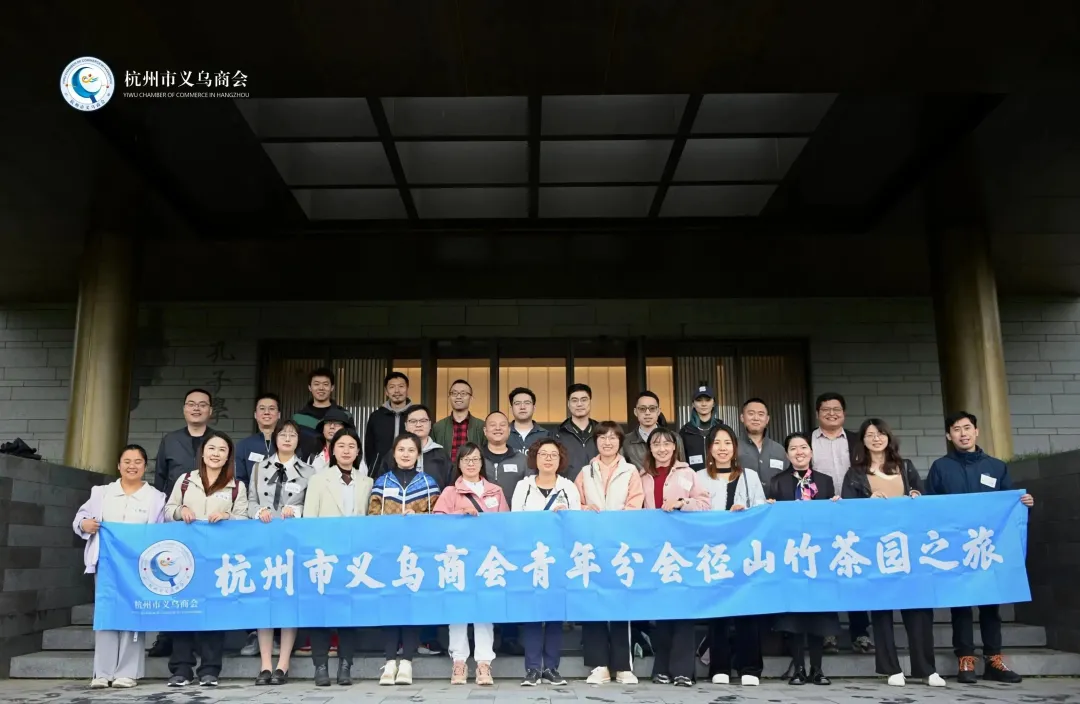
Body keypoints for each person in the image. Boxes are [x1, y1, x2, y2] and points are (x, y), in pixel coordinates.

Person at [926, 411, 1034, 684]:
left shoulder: (996, 467)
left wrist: (1023, 505)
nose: (962, 434)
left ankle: (994, 659)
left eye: (967, 428)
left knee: (990, 603)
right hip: (955, 546)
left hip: (988, 545)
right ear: (948, 435)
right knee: (960, 604)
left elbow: (1008, 502)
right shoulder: (940, 467)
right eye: (956, 429)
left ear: (976, 431)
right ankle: (965, 658)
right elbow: (930, 506)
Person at [841, 418, 945, 688]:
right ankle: (891, 668)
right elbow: (848, 512)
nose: (876, 438)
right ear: (862, 441)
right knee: (882, 609)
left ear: (889, 437)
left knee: (919, 608)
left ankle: (926, 668)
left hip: (909, 547)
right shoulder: (855, 473)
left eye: (881, 433)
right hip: (876, 549)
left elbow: (923, 499)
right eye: (870, 434)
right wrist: (867, 503)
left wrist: (916, 496)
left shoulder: (905, 466)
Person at [74, 445, 165, 689]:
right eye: (127, 461)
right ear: (118, 465)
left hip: (138, 566)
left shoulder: (156, 498)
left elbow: (160, 532)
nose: (132, 466)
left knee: (133, 614)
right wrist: (84, 524)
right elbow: (80, 518)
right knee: (106, 614)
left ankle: (127, 672)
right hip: (106, 564)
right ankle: (102, 672)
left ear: (145, 466)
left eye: (137, 461)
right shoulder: (101, 493)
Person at [163, 430, 248, 687]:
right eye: (212, 448)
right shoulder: (185, 481)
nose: (216, 454)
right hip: (185, 558)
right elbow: (167, 511)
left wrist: (228, 517)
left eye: (222, 450)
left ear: (228, 456)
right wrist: (181, 510)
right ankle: (181, 668)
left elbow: (244, 519)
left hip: (218, 559)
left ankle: (210, 669)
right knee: (183, 611)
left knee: (214, 612)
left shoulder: (237, 486)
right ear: (202, 453)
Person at [433, 442, 510, 686]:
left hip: (487, 559)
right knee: (458, 609)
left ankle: (484, 662)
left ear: (481, 462)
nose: (471, 464)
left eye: (475, 459)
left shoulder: (495, 491)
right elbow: (437, 525)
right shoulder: (449, 493)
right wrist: (459, 516)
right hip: (458, 560)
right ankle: (459, 661)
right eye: (466, 459)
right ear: (458, 464)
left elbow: (504, 525)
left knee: (484, 609)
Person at [694, 424, 766, 686]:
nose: (722, 448)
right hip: (713, 553)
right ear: (709, 448)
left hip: (744, 552)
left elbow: (760, 511)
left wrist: (744, 512)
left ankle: (750, 667)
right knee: (718, 613)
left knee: (747, 610)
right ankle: (719, 666)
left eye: (727, 443)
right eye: (717, 443)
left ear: (735, 448)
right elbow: (694, 511)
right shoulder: (699, 477)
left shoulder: (749, 476)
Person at [573, 421, 644, 685]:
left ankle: (623, 666)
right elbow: (576, 502)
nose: (607, 442)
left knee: (620, 602)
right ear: (596, 441)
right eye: (602, 437)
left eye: (613, 437)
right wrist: (585, 510)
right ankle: (599, 665)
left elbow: (636, 503)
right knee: (593, 602)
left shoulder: (630, 471)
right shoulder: (585, 472)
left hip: (620, 545)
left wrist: (616, 523)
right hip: (591, 546)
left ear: (620, 442)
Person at [766, 432, 840, 686]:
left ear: (811, 451)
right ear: (787, 454)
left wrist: (836, 505)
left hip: (819, 555)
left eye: (803, 447)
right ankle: (798, 668)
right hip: (791, 555)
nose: (799, 452)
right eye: (793, 448)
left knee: (817, 613)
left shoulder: (826, 481)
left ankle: (817, 669)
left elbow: (833, 518)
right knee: (795, 614)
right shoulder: (777, 482)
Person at [369, 433, 441, 686]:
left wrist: (418, 518)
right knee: (390, 605)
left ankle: (407, 661)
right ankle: (390, 661)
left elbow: (438, 518)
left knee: (412, 606)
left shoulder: (428, 484)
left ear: (418, 454)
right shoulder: (382, 483)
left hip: (417, 555)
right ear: (394, 452)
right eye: (401, 449)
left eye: (411, 450)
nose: (406, 454)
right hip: (388, 554)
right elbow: (372, 516)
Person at [303, 427, 373, 686]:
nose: (346, 451)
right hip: (324, 555)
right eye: (341, 446)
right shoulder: (319, 480)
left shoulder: (367, 482)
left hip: (353, 557)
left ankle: (346, 665)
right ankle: (320, 665)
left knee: (348, 613)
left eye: (351, 446)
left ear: (358, 452)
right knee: (320, 611)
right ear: (332, 450)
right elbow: (309, 518)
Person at [640, 427, 709, 687]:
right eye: (656, 444)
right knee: (661, 610)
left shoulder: (688, 473)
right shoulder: (642, 476)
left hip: (683, 549)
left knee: (683, 609)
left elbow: (705, 504)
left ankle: (683, 670)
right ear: (650, 448)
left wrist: (682, 503)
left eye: (666, 444)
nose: (662, 449)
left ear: (674, 447)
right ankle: (661, 669)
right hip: (654, 550)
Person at [248, 420, 313, 686]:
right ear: (274, 438)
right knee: (265, 598)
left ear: (298, 440)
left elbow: (311, 505)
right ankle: (265, 664)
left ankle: (283, 663)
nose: (287, 438)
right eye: (282, 434)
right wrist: (258, 511)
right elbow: (251, 499)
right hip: (263, 538)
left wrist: (296, 511)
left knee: (288, 598)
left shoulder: (309, 471)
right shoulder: (259, 467)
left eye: (292, 435)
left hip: (291, 540)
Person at [512, 438, 579, 686]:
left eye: (553, 455)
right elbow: (516, 520)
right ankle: (532, 669)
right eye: (543, 454)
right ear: (535, 458)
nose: (548, 459)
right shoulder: (524, 486)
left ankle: (551, 668)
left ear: (561, 460)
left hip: (559, 558)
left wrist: (564, 517)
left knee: (554, 613)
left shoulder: (568, 487)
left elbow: (577, 522)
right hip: (531, 557)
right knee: (532, 612)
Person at [811, 392, 871, 655]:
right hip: (820, 515)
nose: (831, 413)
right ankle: (828, 632)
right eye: (826, 409)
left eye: (836, 409)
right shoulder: (808, 441)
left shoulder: (859, 441)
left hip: (854, 514)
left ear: (844, 413)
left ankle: (860, 632)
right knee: (824, 572)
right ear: (817, 413)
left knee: (854, 570)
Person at [364, 371, 413, 473]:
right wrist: (374, 468)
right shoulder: (376, 416)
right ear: (386, 392)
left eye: (401, 386)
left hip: (411, 471)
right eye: (392, 387)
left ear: (407, 389)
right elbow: (369, 448)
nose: (397, 390)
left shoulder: (415, 415)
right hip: (381, 472)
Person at [292, 367, 352, 448]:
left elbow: (352, 443)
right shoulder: (298, 418)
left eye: (325, 384)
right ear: (309, 387)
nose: (321, 388)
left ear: (332, 387)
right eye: (316, 384)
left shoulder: (345, 415)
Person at [737, 398, 787, 488]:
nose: (756, 418)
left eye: (761, 414)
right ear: (742, 417)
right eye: (751, 413)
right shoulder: (732, 447)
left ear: (767, 419)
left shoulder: (780, 450)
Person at [432, 379, 486, 462]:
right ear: (449, 397)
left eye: (463, 393)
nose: (458, 397)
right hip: (445, 470)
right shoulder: (438, 427)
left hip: (472, 469)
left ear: (471, 398)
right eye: (454, 393)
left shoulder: (481, 426)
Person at [553, 383, 598, 480]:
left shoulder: (601, 432)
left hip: (598, 487)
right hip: (567, 487)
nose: (579, 404)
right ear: (568, 404)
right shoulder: (557, 434)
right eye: (574, 400)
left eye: (584, 400)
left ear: (590, 402)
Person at [400, 404, 452, 489]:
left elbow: (450, 487)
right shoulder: (397, 454)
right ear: (406, 425)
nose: (418, 425)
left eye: (423, 420)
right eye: (413, 421)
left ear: (430, 424)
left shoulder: (440, 454)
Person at [235, 393, 281, 488]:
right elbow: (240, 479)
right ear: (255, 414)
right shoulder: (243, 445)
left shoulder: (288, 443)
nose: (266, 412)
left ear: (279, 415)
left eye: (272, 408)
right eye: (262, 408)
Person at [679, 384, 724, 472]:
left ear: (713, 403)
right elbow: (680, 460)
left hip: (719, 477)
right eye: (699, 400)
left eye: (707, 400)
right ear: (693, 404)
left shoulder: (722, 429)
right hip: (694, 478)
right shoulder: (685, 431)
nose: (704, 404)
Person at [306, 407, 359, 473]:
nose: (332, 427)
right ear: (323, 430)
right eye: (328, 423)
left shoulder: (353, 456)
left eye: (337, 423)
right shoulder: (313, 457)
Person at [623, 391, 665, 471]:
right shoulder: (625, 442)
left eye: (652, 408)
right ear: (635, 412)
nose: (647, 413)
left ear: (658, 411)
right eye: (642, 409)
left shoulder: (674, 438)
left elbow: (681, 470)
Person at [507, 386, 550, 456]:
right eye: (517, 403)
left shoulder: (546, 435)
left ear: (534, 408)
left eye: (527, 403)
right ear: (511, 409)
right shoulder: (503, 434)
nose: (522, 407)